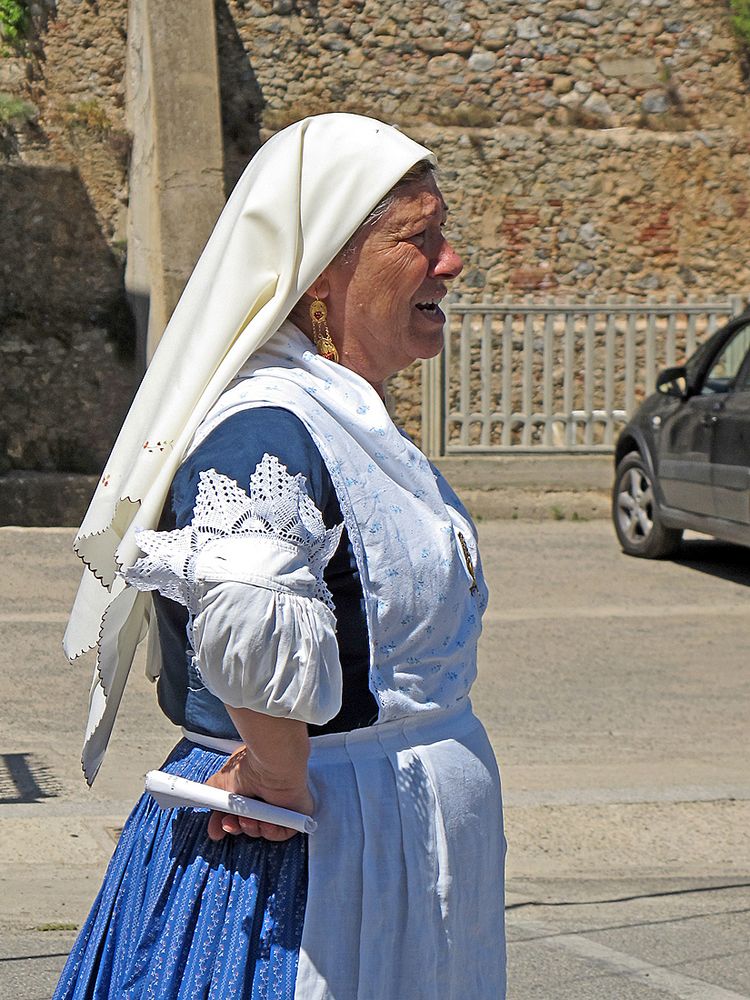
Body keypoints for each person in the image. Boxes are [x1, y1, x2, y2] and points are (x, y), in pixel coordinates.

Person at [54, 113, 506, 1000]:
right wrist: (276, 771)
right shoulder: (268, 425)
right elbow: (249, 605)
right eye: (422, 239)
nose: (451, 262)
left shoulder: (345, 416)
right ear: (323, 272)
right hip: (309, 855)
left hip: (388, 837)